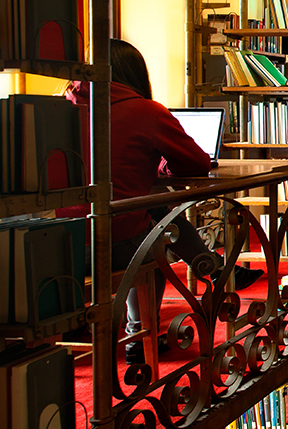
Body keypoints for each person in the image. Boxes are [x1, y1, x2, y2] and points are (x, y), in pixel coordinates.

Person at [58, 39, 262, 363]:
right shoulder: (145, 111)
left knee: (149, 206)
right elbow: (196, 163)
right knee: (154, 234)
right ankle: (141, 337)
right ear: (136, 73)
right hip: (115, 240)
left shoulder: (59, 108)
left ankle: (211, 265)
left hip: (57, 245)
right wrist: (161, 162)